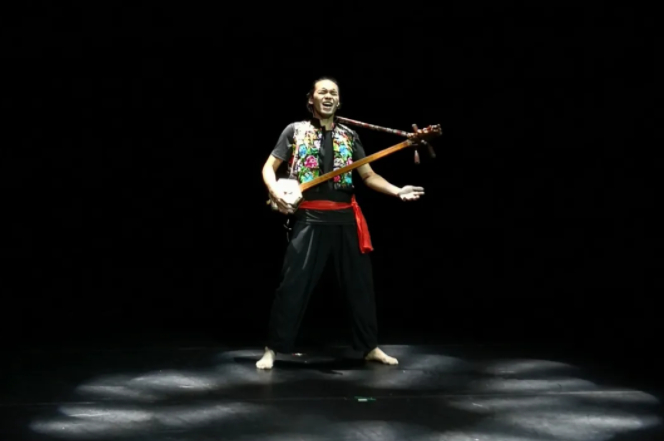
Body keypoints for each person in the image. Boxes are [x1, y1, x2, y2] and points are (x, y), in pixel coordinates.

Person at [257, 76, 424, 369]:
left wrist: (397, 190)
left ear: (339, 102)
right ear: (311, 99)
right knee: (292, 285)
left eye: (333, 93)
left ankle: (369, 346)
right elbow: (269, 167)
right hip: (309, 218)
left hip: (346, 218)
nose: (328, 96)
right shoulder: (294, 131)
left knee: (360, 285)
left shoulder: (349, 135)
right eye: (322, 92)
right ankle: (273, 348)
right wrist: (274, 191)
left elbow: (368, 176)